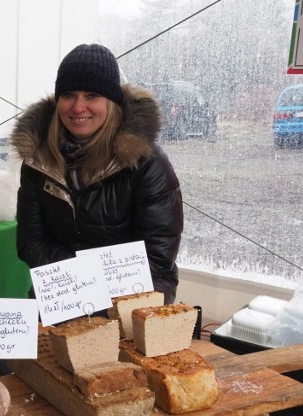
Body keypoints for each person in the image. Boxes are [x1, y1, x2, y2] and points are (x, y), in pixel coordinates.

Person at [11, 43, 183, 304]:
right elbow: (30, 244)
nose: (79, 107)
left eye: (92, 95)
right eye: (69, 95)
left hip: (138, 290)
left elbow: (157, 257)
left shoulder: (147, 162)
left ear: (111, 101)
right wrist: (79, 281)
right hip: (63, 289)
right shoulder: (39, 159)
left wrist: (90, 283)